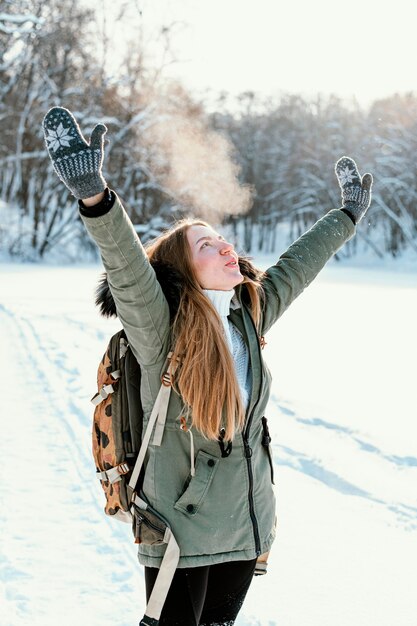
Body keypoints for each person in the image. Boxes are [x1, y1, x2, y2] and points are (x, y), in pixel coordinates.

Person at [42, 106, 372, 626]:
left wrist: (347, 216)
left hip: (244, 525)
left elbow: (298, 265)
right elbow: (127, 269)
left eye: (222, 239)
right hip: (178, 532)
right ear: (183, 269)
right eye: (206, 244)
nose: (226, 247)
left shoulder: (249, 311)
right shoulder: (160, 328)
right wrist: (97, 199)